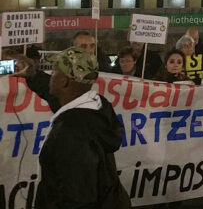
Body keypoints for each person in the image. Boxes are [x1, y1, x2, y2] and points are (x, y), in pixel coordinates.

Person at [35, 47, 131, 209]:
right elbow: (57, 96)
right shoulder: (97, 106)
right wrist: (33, 75)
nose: (51, 76)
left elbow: (77, 199)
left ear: (64, 81)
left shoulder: (71, 134)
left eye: (54, 72)